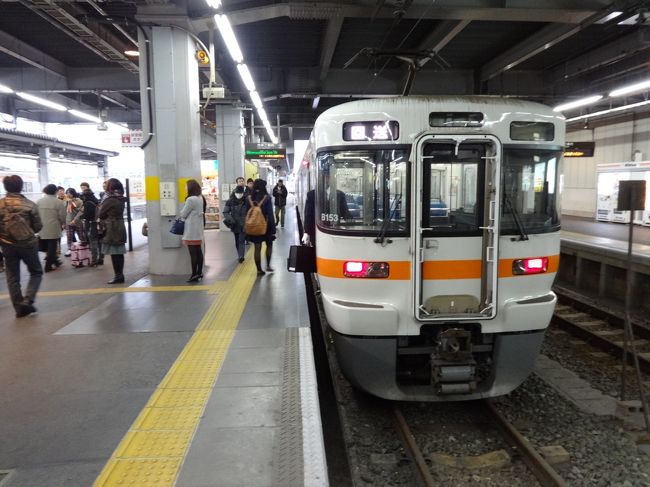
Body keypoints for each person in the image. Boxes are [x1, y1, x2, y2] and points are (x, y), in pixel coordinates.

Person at [0, 175, 43, 317]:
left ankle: (19, 308)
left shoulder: (0, 204)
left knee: (12, 277)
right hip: (27, 244)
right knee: (36, 272)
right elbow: (38, 227)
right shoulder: (30, 204)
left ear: (6, 187)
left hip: (7, 245)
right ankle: (28, 300)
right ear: (21, 186)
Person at [97, 178, 127, 284]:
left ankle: (118, 276)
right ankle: (120, 275)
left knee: (115, 254)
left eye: (107, 185)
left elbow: (100, 214)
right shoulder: (120, 198)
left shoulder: (110, 199)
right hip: (119, 226)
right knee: (119, 253)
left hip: (112, 228)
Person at [246, 179, 276, 276]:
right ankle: (268, 265)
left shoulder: (249, 198)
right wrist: (273, 229)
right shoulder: (267, 198)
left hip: (254, 226)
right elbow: (270, 214)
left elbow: (247, 213)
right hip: (266, 226)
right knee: (269, 245)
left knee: (257, 248)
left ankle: (259, 270)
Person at [179, 179, 205, 282]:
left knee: (193, 253)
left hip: (191, 231)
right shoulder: (200, 198)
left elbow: (183, 214)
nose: (185, 188)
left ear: (190, 187)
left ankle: (194, 274)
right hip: (198, 230)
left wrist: (182, 212)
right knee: (198, 251)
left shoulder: (190, 199)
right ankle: (199, 272)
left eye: (186, 186)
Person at [37, 184, 66, 272]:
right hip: (53, 227)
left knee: (47, 247)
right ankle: (48, 266)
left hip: (41, 227)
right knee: (52, 248)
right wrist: (62, 223)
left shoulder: (39, 201)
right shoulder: (58, 202)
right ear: (55, 191)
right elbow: (62, 216)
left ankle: (56, 262)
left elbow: (35, 214)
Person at [73, 182, 100, 266]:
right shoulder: (95, 200)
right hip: (96, 223)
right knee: (98, 241)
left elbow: (88, 215)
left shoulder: (88, 203)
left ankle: (94, 260)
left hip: (91, 224)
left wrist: (82, 217)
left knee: (93, 242)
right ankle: (100, 258)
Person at [223, 185, 247, 263]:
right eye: (237, 193)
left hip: (244, 224)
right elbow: (225, 212)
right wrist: (230, 219)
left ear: (243, 193)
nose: (239, 194)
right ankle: (239, 254)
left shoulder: (247, 201)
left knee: (241, 240)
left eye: (240, 193)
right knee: (237, 240)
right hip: (235, 224)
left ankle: (241, 256)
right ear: (235, 192)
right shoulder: (230, 201)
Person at [63, 188, 82, 256]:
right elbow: (64, 212)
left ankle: (83, 248)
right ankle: (70, 249)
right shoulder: (65, 201)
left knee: (81, 236)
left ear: (73, 193)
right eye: (67, 193)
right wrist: (63, 222)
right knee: (69, 236)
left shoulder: (79, 200)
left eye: (70, 193)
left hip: (78, 221)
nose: (68, 194)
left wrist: (75, 220)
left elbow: (81, 211)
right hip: (68, 221)